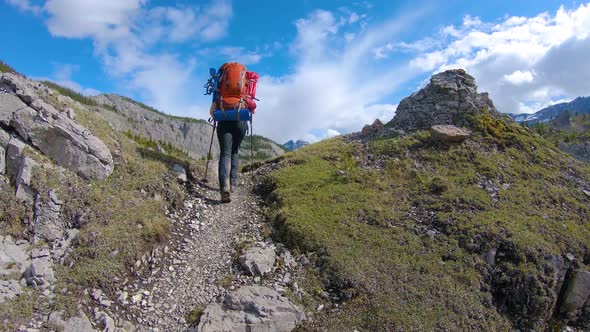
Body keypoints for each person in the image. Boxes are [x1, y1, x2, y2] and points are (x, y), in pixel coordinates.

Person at [209, 101, 248, 203]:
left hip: (224, 120)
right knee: (234, 151)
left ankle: (224, 187)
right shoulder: (247, 85)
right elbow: (252, 109)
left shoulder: (218, 85)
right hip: (240, 121)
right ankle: (233, 184)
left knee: (225, 153)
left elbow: (212, 111)